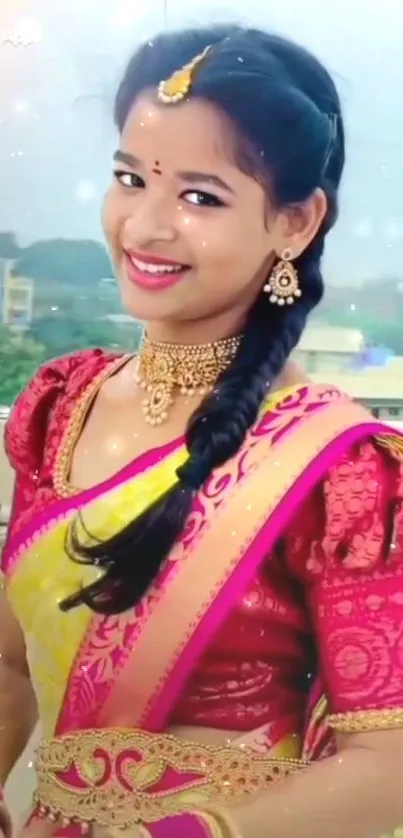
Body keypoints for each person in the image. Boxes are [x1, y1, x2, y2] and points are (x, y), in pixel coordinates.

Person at [1, 22, 403, 838]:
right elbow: (10, 666)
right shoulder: (58, 408)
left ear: (295, 222)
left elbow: (387, 771)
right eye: (129, 178)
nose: (144, 227)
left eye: (199, 196)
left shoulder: (337, 472)